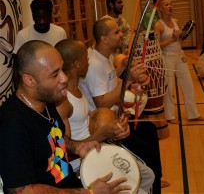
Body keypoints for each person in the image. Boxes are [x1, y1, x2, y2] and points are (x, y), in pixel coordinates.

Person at [0, 40, 131, 194]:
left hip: (70, 183)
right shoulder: (11, 124)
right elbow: (22, 191)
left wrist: (77, 146)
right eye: (55, 74)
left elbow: (54, 139)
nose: (64, 78)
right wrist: (88, 192)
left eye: (62, 69)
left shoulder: (47, 101)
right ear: (29, 80)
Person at [55, 39, 155, 194]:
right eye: (85, 59)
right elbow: (66, 150)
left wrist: (115, 121)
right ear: (76, 64)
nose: (89, 61)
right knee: (141, 185)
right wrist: (102, 134)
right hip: (83, 162)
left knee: (148, 176)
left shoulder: (78, 87)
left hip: (97, 147)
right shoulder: (63, 101)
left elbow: (88, 119)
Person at [79, 17, 166, 193]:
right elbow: (101, 102)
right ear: (104, 38)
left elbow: (110, 81)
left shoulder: (106, 56)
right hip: (107, 128)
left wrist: (121, 70)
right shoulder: (94, 64)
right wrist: (129, 80)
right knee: (147, 153)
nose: (121, 34)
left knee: (149, 130)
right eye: (116, 32)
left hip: (117, 118)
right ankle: (153, 182)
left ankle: (157, 180)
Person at [154, 0, 204, 123]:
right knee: (169, 88)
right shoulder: (158, 25)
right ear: (160, 9)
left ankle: (193, 114)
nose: (170, 6)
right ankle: (170, 116)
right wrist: (172, 39)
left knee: (188, 85)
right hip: (167, 58)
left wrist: (178, 38)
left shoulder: (176, 21)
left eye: (171, 4)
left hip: (180, 56)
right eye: (166, 5)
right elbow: (157, 46)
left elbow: (178, 41)